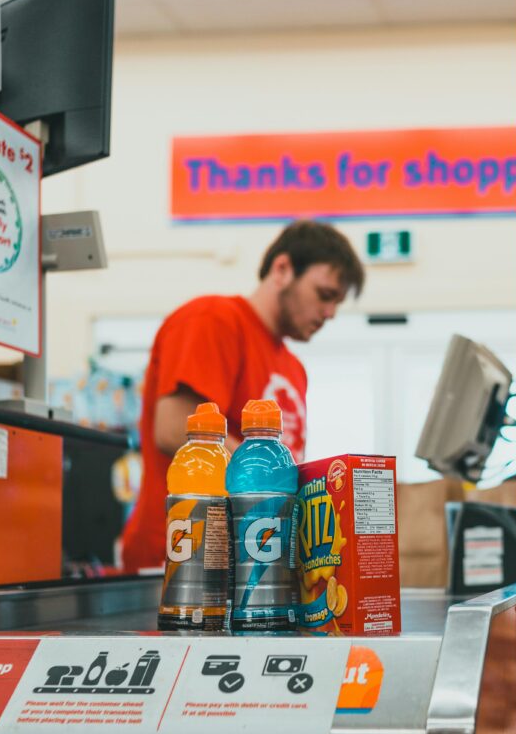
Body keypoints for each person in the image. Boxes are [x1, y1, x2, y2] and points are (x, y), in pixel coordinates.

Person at [121, 220, 364, 572]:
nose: (329, 314)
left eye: (337, 303)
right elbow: (174, 429)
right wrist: (275, 476)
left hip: (256, 559)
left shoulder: (294, 368)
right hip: (183, 557)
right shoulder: (213, 319)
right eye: (325, 295)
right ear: (282, 269)